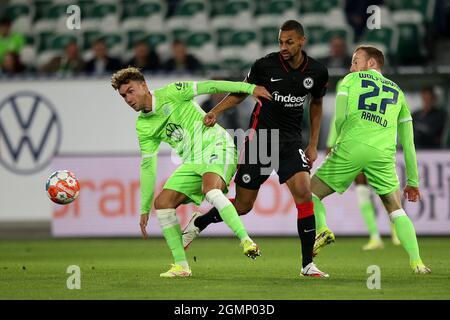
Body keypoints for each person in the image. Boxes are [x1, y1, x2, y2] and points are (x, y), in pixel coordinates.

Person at [182, 20, 329, 277]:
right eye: (281, 42)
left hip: (290, 142)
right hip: (260, 141)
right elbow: (241, 91)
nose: (284, 47)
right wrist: (214, 111)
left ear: (302, 41)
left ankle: (307, 264)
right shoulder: (265, 65)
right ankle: (201, 221)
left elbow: (316, 104)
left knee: (304, 194)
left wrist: (313, 143)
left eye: (289, 42)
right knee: (242, 205)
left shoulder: (317, 71)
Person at [110, 67, 272, 278]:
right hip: (192, 162)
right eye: (123, 95)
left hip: (218, 147)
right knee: (162, 203)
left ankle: (246, 241)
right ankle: (181, 266)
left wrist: (249, 88)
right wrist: (143, 208)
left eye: (130, 91)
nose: (128, 99)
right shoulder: (143, 126)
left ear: (144, 86)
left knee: (211, 191)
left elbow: (210, 86)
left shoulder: (172, 92)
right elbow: (148, 167)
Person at [311, 45, 431, 274]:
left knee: (309, 194)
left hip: (351, 147)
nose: (351, 66)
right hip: (382, 155)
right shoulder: (398, 92)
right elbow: (408, 143)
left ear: (371, 63)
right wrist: (413, 181)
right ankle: (417, 263)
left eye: (356, 61)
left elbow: (340, 118)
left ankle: (323, 229)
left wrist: (335, 143)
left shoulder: (349, 81)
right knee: (395, 209)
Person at [326, 111, 400, 250]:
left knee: (383, 191)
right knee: (364, 190)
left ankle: (395, 233)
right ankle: (375, 237)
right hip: (359, 151)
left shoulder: (355, 105)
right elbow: (333, 133)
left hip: (370, 150)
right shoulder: (345, 106)